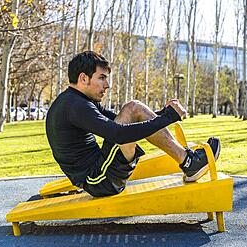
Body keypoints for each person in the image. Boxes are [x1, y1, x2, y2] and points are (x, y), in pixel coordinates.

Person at [46, 51, 220, 197]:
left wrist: (160, 115)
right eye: (102, 78)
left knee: (134, 109)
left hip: (100, 173)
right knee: (133, 107)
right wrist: (167, 118)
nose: (107, 85)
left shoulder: (74, 101)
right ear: (83, 78)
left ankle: (188, 160)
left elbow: (122, 121)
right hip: (98, 181)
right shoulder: (76, 106)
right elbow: (119, 134)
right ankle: (188, 162)